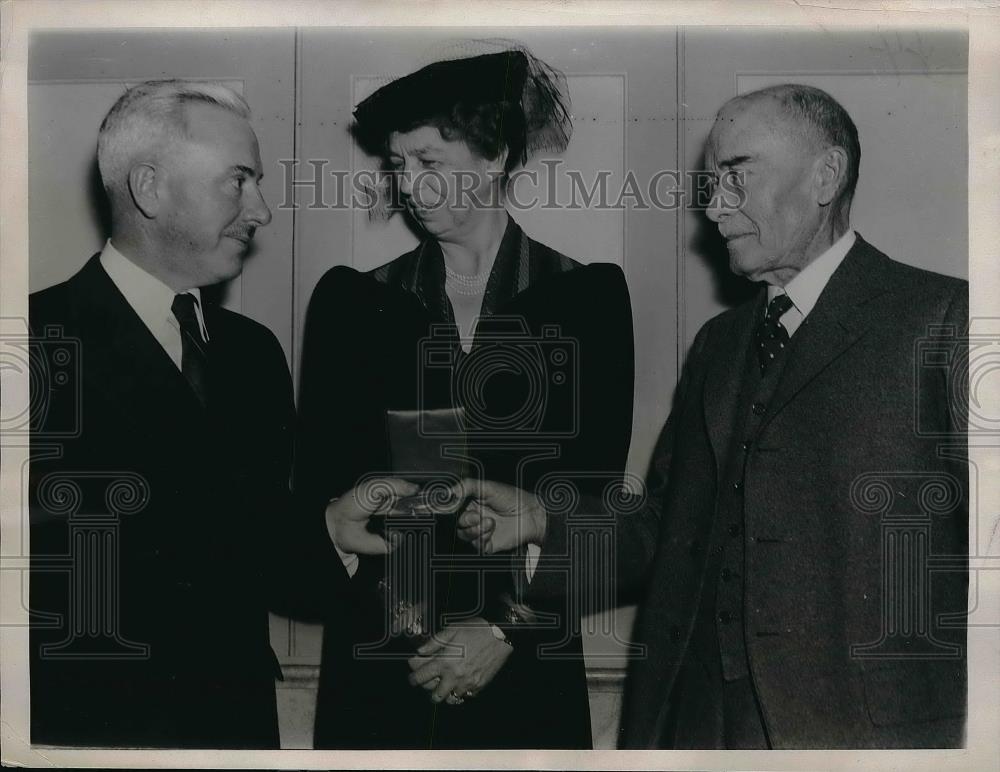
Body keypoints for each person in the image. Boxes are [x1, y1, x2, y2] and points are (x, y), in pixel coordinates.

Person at [455, 83, 968, 749]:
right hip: (696, 727)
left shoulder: (945, 321)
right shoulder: (720, 344)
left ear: (825, 175)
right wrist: (542, 521)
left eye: (736, 176)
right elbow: (666, 534)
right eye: (711, 182)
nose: (713, 205)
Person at [28, 79, 405, 748]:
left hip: (235, 724)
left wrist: (327, 531)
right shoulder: (29, 342)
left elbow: (251, 544)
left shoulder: (251, 354)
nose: (261, 210)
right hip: (88, 734)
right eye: (238, 182)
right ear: (149, 187)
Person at [296, 45, 635, 749]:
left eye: (429, 163)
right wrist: (412, 630)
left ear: (496, 157)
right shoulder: (353, 302)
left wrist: (506, 627)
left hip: (526, 648)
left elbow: (591, 499)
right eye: (398, 166)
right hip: (384, 654)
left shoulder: (588, 299)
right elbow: (324, 488)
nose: (408, 185)